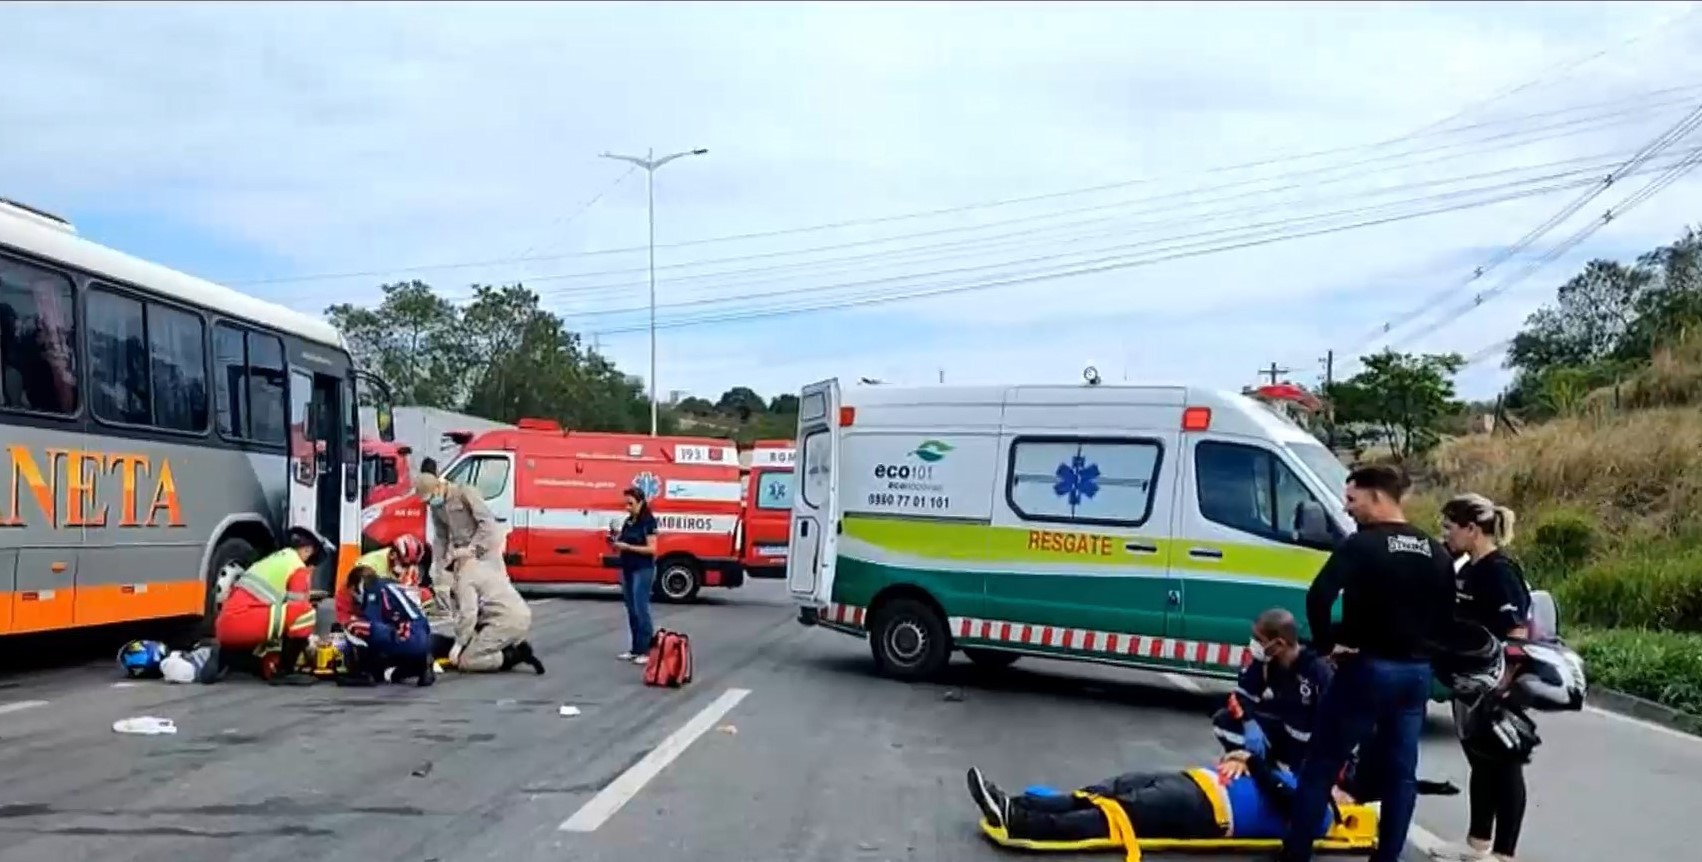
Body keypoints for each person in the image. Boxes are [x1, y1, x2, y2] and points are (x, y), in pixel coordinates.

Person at [1279, 464, 1457, 862]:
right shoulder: (1436, 550)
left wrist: (1327, 644)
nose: (1347, 509)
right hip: (1415, 675)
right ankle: (1387, 856)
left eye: (1352, 499)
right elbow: (1448, 618)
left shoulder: (1363, 545)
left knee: (1322, 764)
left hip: (1367, 669)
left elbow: (1320, 595)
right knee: (1400, 774)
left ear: (1377, 497)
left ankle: (1296, 854)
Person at [1435, 494, 1532, 862]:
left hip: (1499, 685)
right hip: (1469, 684)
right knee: (1481, 763)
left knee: (1505, 767)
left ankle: (1504, 853)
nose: (1445, 535)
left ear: (1472, 529)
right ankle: (1477, 844)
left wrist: (1504, 685)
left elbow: (1517, 632)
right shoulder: (1468, 569)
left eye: (1449, 528)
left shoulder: (1500, 571)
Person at [964, 760, 1347, 847]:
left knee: (1118, 815)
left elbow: (1283, 800)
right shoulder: (1304, 777)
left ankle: (1021, 822)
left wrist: (1258, 764)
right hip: (1195, 780)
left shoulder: (1323, 816)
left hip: (1207, 810)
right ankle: (1012, 804)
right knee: (1108, 789)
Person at [1214, 609, 1332, 772]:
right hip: (1283, 734)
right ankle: (1254, 767)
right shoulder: (1267, 662)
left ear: (1279, 644)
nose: (1254, 644)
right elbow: (1243, 696)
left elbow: (1332, 720)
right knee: (1224, 720)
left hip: (1309, 747)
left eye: (1259, 640)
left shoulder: (1316, 672)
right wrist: (1249, 722)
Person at [213, 526, 330, 686]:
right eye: (314, 561)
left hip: (227, 626)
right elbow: (298, 607)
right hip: (243, 623)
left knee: (283, 619)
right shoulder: (298, 567)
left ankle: (231, 660)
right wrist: (307, 644)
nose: (312, 567)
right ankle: (285, 671)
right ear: (308, 550)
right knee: (305, 615)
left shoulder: (276, 559)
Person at [446, 555, 546, 674]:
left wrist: (458, 645)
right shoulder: (484, 567)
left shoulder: (465, 578)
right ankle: (513, 644)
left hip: (504, 622)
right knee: (476, 631)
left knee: (468, 660)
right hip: (521, 616)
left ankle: (512, 656)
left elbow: (468, 613)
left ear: (456, 565)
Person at [339, 565, 436, 687]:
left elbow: (374, 628)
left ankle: (363, 669)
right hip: (422, 633)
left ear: (354, 586)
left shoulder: (372, 591)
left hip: (408, 634)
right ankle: (418, 665)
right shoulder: (390, 584)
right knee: (388, 672)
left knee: (355, 627)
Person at [414, 471, 507, 598]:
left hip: (483, 549)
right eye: (427, 501)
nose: (430, 502)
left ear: (438, 487)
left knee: (494, 594)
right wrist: (438, 563)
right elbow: (441, 536)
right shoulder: (437, 506)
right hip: (462, 552)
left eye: (430, 498)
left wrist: (473, 550)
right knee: (467, 598)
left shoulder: (464, 493)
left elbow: (488, 525)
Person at [609, 486, 659, 664]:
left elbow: (652, 548)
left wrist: (628, 547)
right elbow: (623, 541)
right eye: (626, 504)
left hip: (643, 568)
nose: (627, 507)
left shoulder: (648, 522)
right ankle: (635, 649)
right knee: (631, 609)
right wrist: (616, 543)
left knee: (640, 608)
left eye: (631, 504)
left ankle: (646, 649)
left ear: (641, 503)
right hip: (627, 567)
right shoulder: (629, 522)